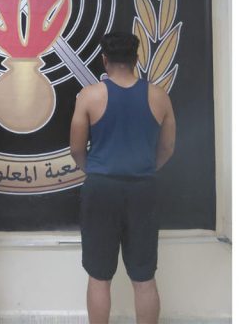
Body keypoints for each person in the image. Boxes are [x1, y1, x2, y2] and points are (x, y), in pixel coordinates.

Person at [69, 31, 177, 324]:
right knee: (144, 277)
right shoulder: (159, 96)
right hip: (143, 188)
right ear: (136, 59)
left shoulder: (89, 96)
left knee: (99, 276)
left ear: (104, 60)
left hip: (101, 189)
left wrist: (94, 170)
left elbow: (76, 149)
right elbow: (167, 147)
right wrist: (144, 168)